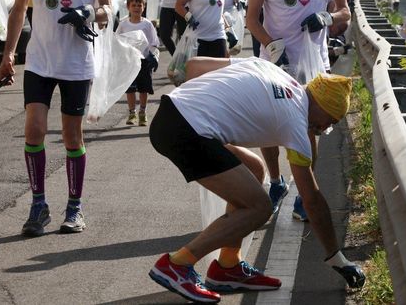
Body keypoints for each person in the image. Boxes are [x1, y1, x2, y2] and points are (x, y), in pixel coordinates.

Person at [147, 56, 365, 303]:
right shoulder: (295, 121)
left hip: (171, 112)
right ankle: (178, 264)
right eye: (330, 122)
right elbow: (311, 199)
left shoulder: (272, 70)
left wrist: (208, 106)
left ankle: (228, 266)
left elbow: (195, 65)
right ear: (323, 107)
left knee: (254, 168)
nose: (324, 128)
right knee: (259, 207)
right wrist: (336, 256)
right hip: (185, 131)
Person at [0, 0, 112, 236]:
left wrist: (88, 13)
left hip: (77, 63)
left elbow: (108, 8)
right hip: (39, 61)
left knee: (71, 137)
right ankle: (39, 206)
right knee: (33, 131)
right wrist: (8, 53)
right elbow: (19, 8)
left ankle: (74, 208)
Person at [245, 0, 350, 221]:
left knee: (308, 127)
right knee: (269, 124)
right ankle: (276, 182)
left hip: (312, 61)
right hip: (275, 59)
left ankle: (305, 193)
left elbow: (345, 12)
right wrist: (272, 47)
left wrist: (327, 18)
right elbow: (252, 19)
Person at [116, 0, 160, 126]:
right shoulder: (123, 24)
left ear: (144, 7)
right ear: (128, 7)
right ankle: (131, 113)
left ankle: (142, 112)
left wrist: (152, 56)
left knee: (143, 88)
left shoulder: (147, 24)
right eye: (133, 5)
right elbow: (117, 40)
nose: (136, 8)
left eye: (139, 5)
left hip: (144, 62)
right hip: (129, 61)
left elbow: (154, 42)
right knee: (130, 88)